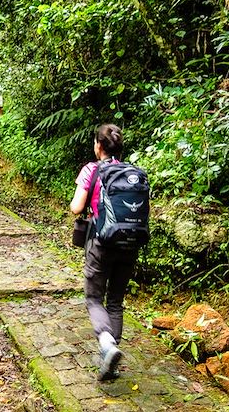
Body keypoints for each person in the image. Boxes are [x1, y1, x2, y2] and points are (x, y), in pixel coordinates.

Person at [69, 123, 138, 381]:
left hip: (101, 243)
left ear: (98, 146)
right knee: (116, 302)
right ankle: (111, 360)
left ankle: (107, 346)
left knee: (94, 299)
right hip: (130, 245)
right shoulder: (132, 173)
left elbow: (77, 207)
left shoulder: (92, 169)